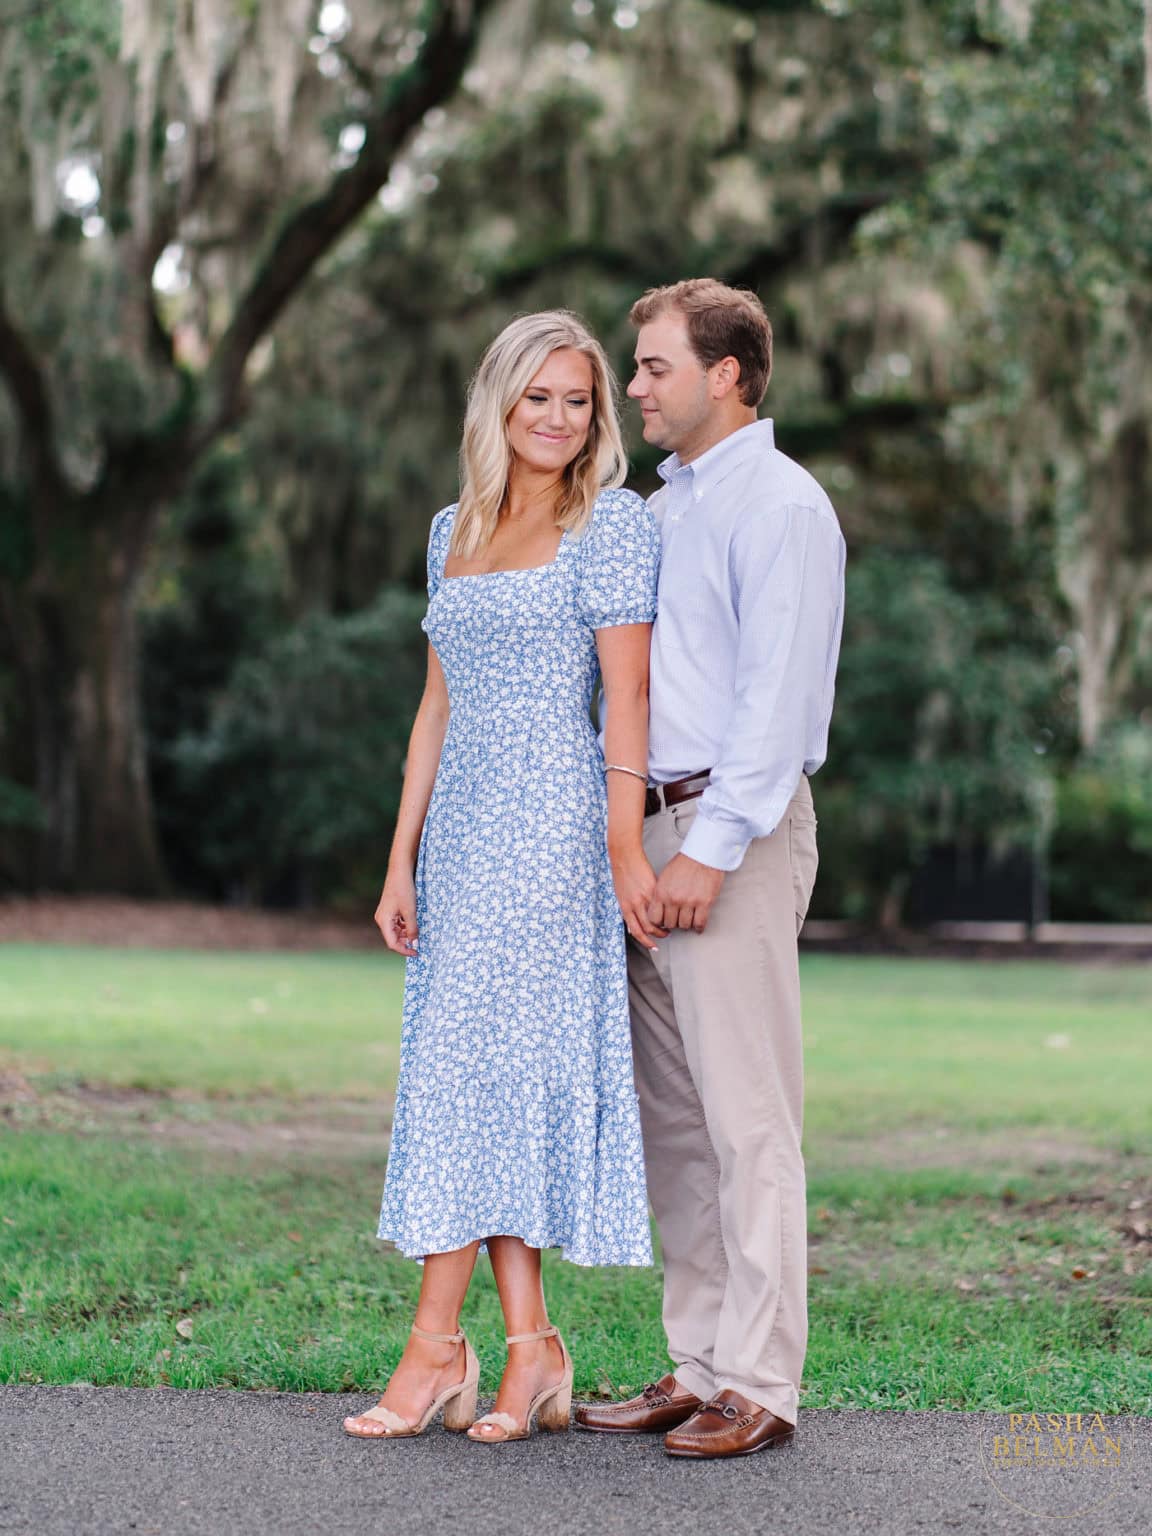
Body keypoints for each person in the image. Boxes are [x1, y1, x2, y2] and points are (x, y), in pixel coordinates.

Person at [343, 310, 662, 1445]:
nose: (561, 419)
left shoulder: (611, 526)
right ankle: (529, 1353)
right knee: (481, 1075)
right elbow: (433, 706)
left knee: (474, 1071)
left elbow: (626, 699)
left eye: (580, 400)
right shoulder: (453, 528)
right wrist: (399, 856)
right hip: (464, 829)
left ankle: (436, 1352)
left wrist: (626, 847)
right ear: (501, 401)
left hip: (554, 823)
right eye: (541, 398)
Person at [575, 279, 846, 1458]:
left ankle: (763, 1384)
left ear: (725, 373)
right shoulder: (666, 505)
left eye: (653, 368)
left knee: (748, 1122)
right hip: (652, 839)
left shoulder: (779, 506)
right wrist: (630, 841)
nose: (633, 388)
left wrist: (712, 853)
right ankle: (698, 1363)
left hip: (726, 835)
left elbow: (774, 705)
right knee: (677, 1128)